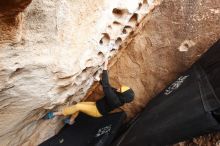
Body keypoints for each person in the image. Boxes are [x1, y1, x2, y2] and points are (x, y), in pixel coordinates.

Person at [44, 59, 135, 124]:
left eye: (121, 90)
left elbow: (107, 87)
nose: (118, 88)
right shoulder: (118, 95)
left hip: (97, 111)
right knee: (80, 105)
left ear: (123, 95)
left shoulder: (115, 100)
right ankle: (71, 120)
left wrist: (105, 67)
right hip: (96, 105)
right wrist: (99, 80)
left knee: (78, 106)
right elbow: (109, 88)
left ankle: (54, 114)